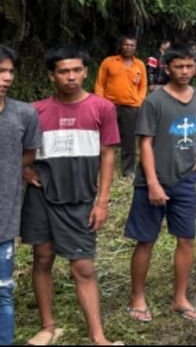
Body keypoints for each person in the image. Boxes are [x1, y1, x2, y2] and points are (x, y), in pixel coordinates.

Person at [21, 46, 121, 345]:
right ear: (52, 75)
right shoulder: (34, 111)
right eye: (64, 71)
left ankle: (98, 336)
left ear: (86, 72)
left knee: (83, 266)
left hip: (80, 199)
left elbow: (107, 155)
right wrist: (25, 170)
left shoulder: (102, 108)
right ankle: (48, 326)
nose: (71, 77)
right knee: (42, 257)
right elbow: (20, 150)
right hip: (41, 197)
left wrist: (102, 202)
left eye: (76, 70)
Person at [124, 46, 196, 323]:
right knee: (146, 240)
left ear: (195, 67)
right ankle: (137, 297)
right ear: (167, 68)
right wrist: (152, 183)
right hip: (152, 182)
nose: (185, 72)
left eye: (189, 66)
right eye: (179, 66)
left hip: (185, 181)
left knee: (186, 239)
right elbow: (145, 142)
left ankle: (180, 298)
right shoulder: (155, 101)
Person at [0, 46, 41, 346]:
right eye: (1, 71)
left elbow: (27, 156)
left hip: (4, 217)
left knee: (2, 290)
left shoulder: (24, 114)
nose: (7, 77)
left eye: (11, 71)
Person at [94, 35, 147, 178]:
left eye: (132, 45)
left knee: (129, 140)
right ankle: (99, 166)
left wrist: (139, 101)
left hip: (131, 107)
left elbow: (143, 86)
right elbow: (100, 84)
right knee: (105, 137)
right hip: (110, 106)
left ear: (135, 48)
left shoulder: (140, 65)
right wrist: (101, 103)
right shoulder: (109, 62)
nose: (128, 47)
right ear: (121, 46)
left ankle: (128, 170)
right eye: (126, 44)